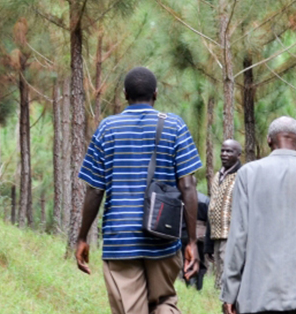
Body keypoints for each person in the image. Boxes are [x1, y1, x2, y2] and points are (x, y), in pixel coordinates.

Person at [75, 67, 202, 314]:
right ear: (156, 94)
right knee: (165, 303)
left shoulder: (107, 129)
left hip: (121, 240)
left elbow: (95, 190)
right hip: (163, 237)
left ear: (125, 94)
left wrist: (82, 237)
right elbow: (188, 185)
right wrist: (193, 242)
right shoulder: (175, 126)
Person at [220, 116, 296, 314]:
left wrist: (230, 293)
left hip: (255, 295)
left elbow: (238, 237)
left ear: (269, 140)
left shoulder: (248, 174)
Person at [208, 139, 242, 290]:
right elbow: (212, 206)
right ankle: (221, 301)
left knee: (229, 269)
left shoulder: (242, 176)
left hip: (232, 234)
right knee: (219, 268)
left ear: (238, 154)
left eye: (229, 151)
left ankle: (230, 301)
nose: (225, 154)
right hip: (216, 233)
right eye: (223, 150)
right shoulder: (217, 176)